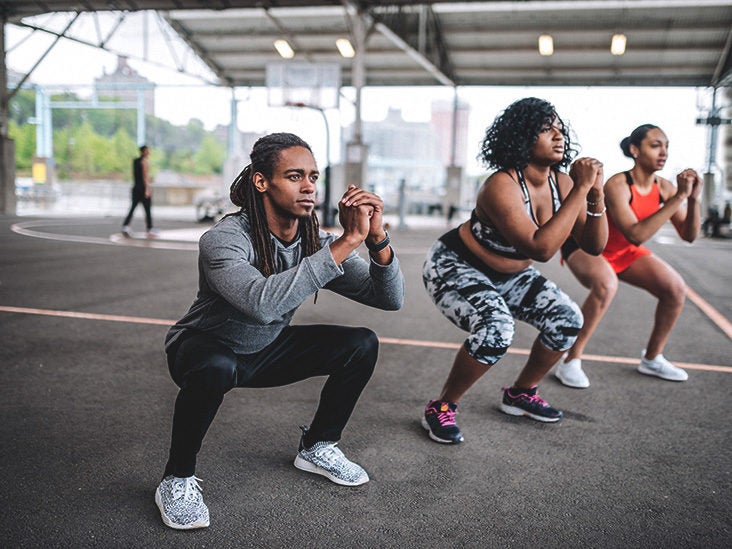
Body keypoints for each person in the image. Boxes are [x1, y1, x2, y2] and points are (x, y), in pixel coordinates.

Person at [155, 133, 404, 529]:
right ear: (262, 182)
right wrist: (346, 242)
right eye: (294, 176)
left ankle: (318, 445)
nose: (308, 186)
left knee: (361, 344)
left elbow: (387, 298)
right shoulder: (224, 239)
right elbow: (262, 303)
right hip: (203, 348)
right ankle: (177, 478)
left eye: (313, 176)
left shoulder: (311, 242)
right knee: (216, 367)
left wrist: (376, 241)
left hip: (265, 349)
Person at [421, 97, 607, 444]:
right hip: (454, 267)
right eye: (545, 128)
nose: (558, 135)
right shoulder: (501, 185)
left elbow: (595, 246)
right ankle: (442, 405)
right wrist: (581, 189)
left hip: (511, 275)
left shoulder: (562, 184)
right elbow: (541, 248)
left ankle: (520, 393)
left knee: (567, 320)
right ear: (521, 137)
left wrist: (594, 194)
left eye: (559, 127)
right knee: (496, 328)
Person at [555, 124, 701, 387]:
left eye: (666, 146)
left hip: (623, 251)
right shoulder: (618, 184)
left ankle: (653, 358)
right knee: (606, 284)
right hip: (588, 246)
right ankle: (569, 360)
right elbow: (635, 233)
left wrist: (692, 200)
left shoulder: (664, 188)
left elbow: (689, 236)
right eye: (655, 145)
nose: (663, 152)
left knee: (676, 289)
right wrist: (678, 196)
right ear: (635, 150)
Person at [122, 145, 157, 237]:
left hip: (136, 188)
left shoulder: (135, 161)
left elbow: (138, 176)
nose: (149, 152)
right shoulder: (145, 161)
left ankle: (125, 226)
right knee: (147, 209)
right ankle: (150, 228)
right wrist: (147, 189)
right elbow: (145, 177)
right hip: (143, 188)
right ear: (143, 151)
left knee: (133, 208)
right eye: (147, 150)